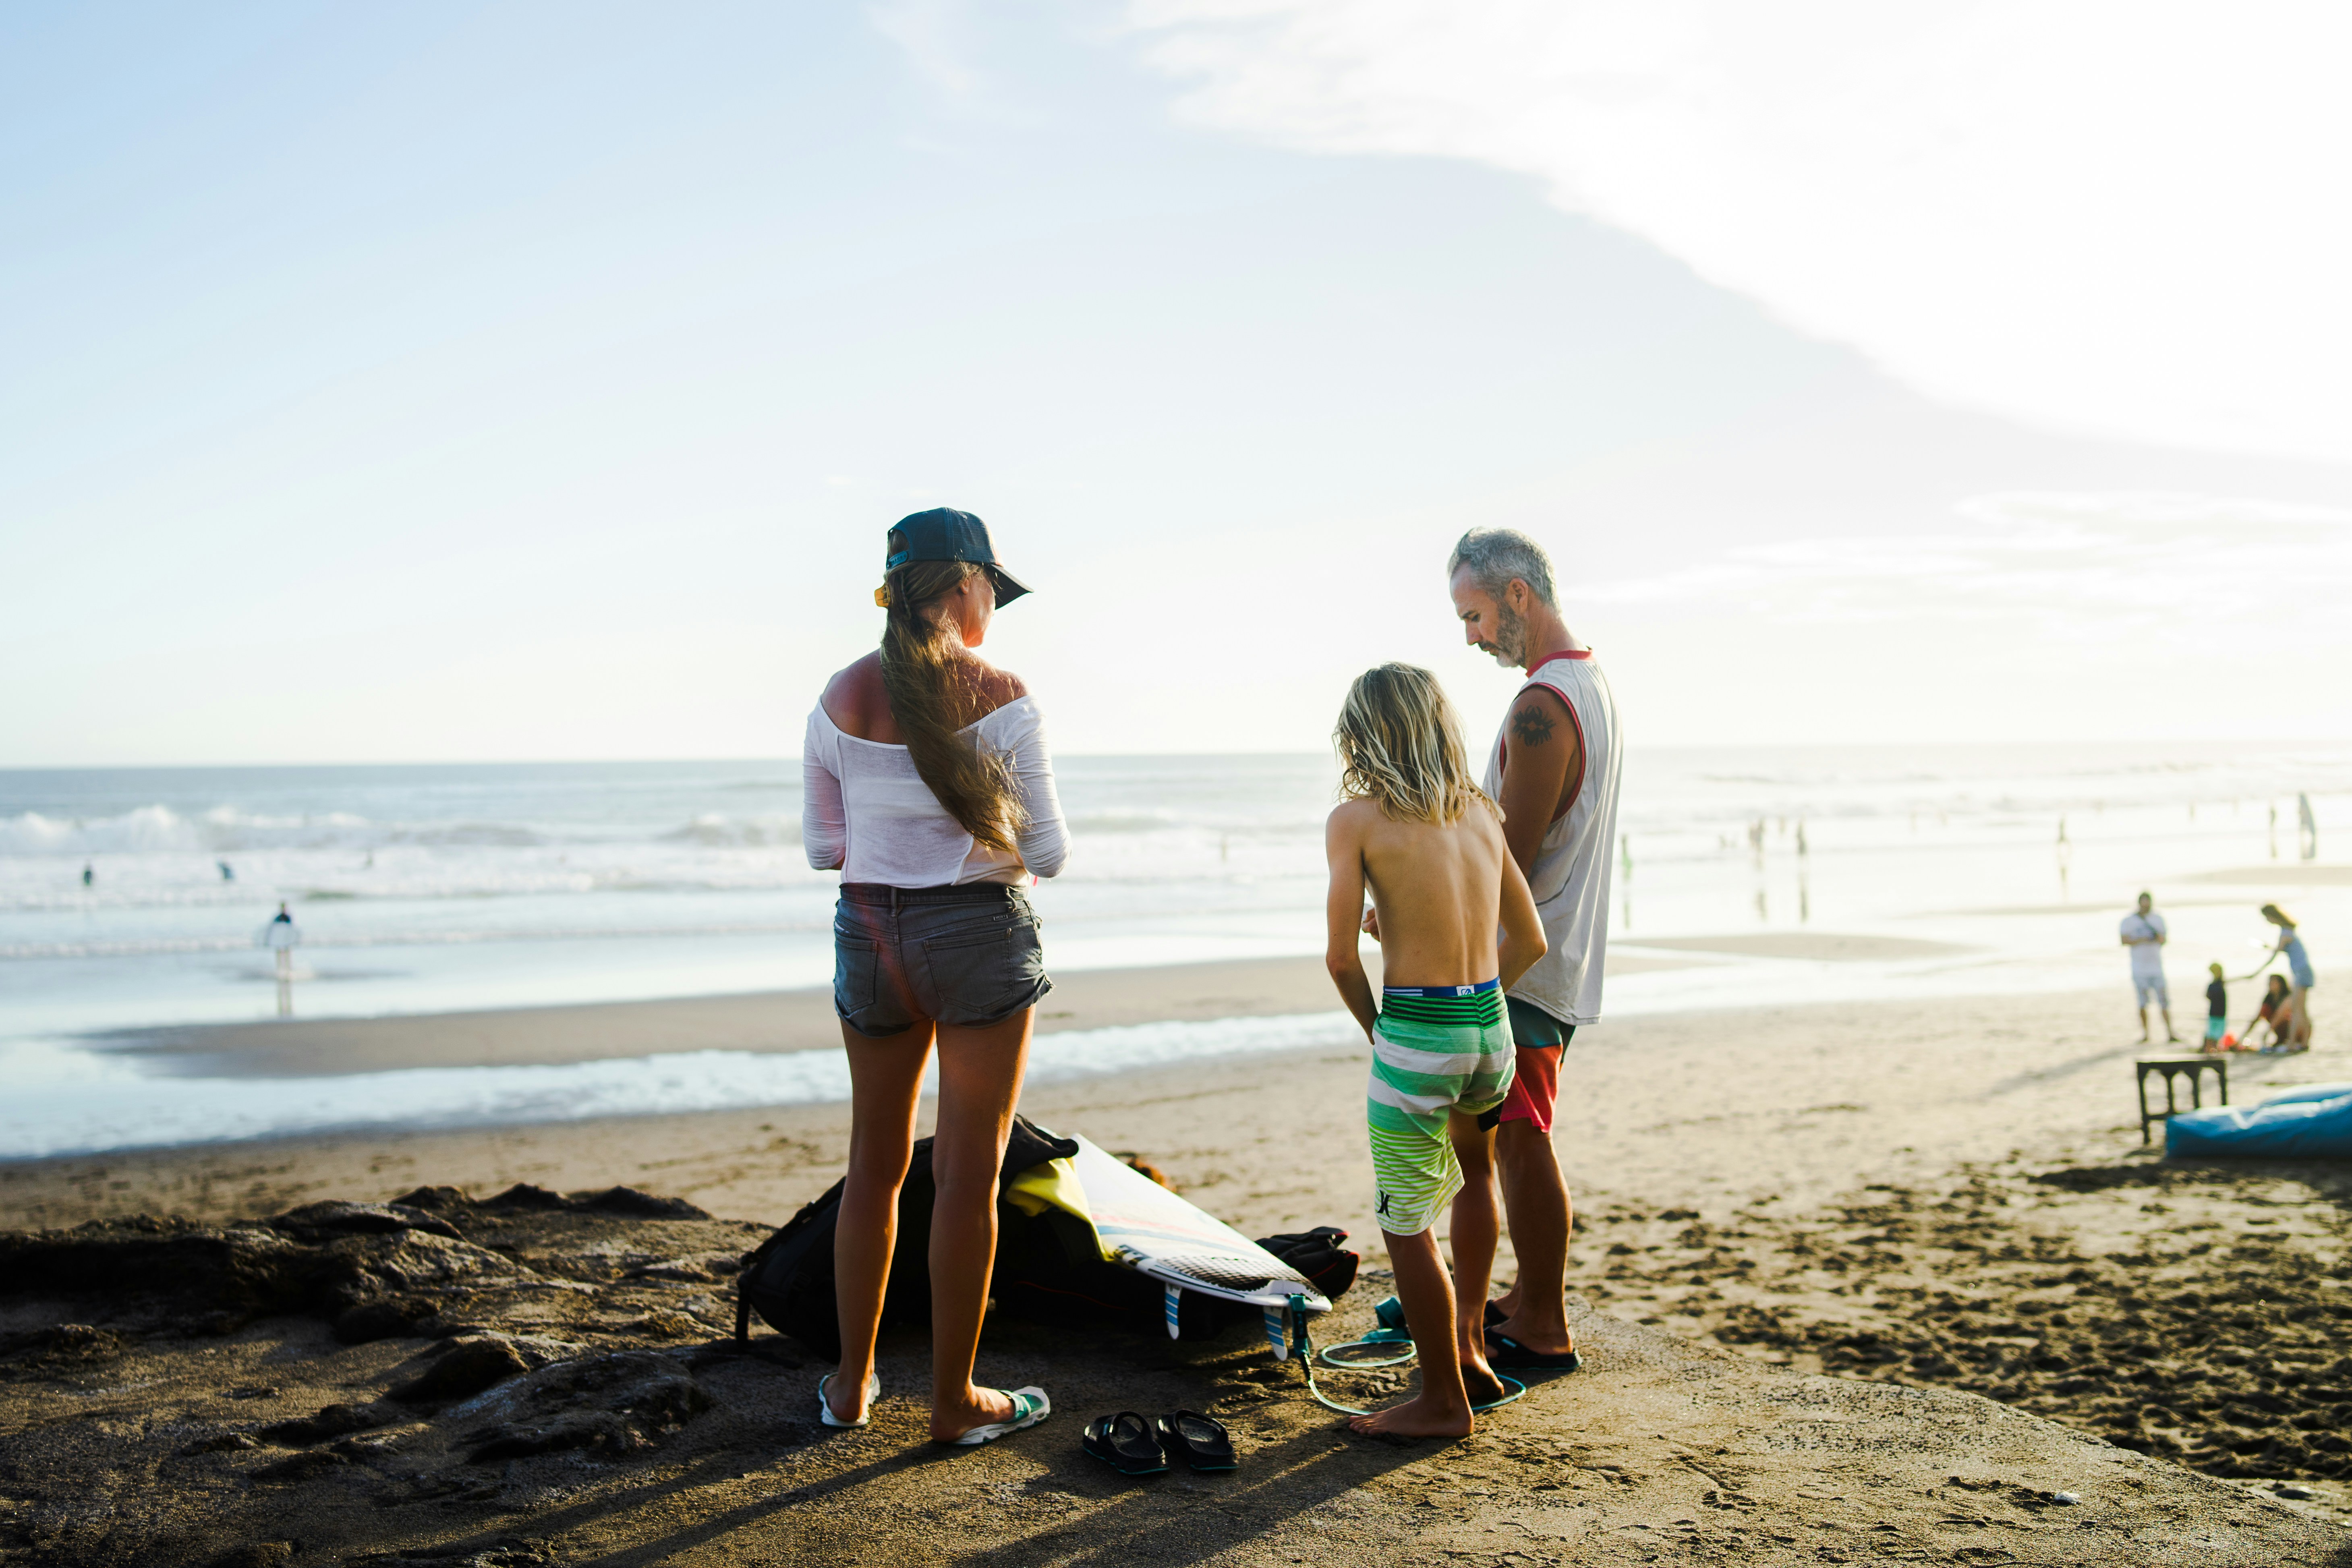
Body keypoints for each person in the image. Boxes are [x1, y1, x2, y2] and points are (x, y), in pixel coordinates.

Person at [801, 507, 1069, 1445]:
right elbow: (1051, 850)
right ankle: (955, 1402)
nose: (993, 601)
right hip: (974, 936)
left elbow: (824, 848)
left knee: (872, 1168)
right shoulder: (1000, 690)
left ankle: (848, 1386)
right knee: (967, 1176)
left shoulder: (837, 695)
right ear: (963, 586)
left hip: (869, 935)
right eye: (990, 584)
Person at [1324, 663, 1546, 1438]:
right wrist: (1477, 1001)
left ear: (1361, 732)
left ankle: (1442, 1401)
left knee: (1404, 1221)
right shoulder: (1481, 813)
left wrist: (1382, 1031)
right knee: (1475, 1173)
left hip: (1416, 1029)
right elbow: (1529, 939)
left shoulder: (1355, 818)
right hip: (1490, 1027)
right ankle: (1471, 1350)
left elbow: (1341, 959)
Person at [1426, 526, 1621, 1375]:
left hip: (1530, 957)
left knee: (1520, 1129)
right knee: (1513, 1129)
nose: (1470, 636)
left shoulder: (1543, 705)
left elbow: (1516, 853)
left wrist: (1423, 904)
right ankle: (1525, 1294)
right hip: (1557, 949)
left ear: (1516, 595)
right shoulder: (1588, 682)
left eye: (1474, 615)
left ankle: (1542, 1316)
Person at [2120, 892, 2175, 1044]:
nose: (2146, 906)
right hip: (2139, 969)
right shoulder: (2129, 921)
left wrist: (2156, 938)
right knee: (2143, 1003)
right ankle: (2146, 1034)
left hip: (2156, 968)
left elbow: (2164, 940)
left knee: (2164, 1002)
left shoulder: (2158, 919)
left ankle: (2170, 1033)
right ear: (2139, 903)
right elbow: (2124, 940)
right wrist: (2141, 939)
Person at [2259, 904, 2315, 1048]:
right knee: (2301, 1010)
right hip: (2302, 972)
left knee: (2297, 1009)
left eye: (2267, 917)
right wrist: (2271, 948)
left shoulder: (2286, 933)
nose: (2267, 921)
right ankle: (2304, 1043)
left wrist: (2259, 971)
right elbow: (2282, 949)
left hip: (2302, 972)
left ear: (2273, 916)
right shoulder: (2288, 931)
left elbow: (2277, 953)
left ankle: (2292, 1043)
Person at [2241, 975, 2297, 1052]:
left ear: (2281, 984)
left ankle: (2289, 1040)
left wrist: (2267, 1033)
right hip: (2279, 1031)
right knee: (2265, 1009)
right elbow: (2258, 1017)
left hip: (2292, 1029)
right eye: (2270, 983)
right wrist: (2243, 1037)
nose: (2270, 985)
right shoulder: (2269, 998)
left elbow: (2279, 1016)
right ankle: (2281, 1040)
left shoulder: (2287, 997)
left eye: (2273, 983)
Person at [2202, 963, 2228, 1052]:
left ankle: (2212, 1049)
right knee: (2213, 1034)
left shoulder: (2216, 984)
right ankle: (2209, 1049)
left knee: (2215, 1034)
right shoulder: (2217, 985)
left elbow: (2207, 996)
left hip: (2218, 1013)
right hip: (2217, 1013)